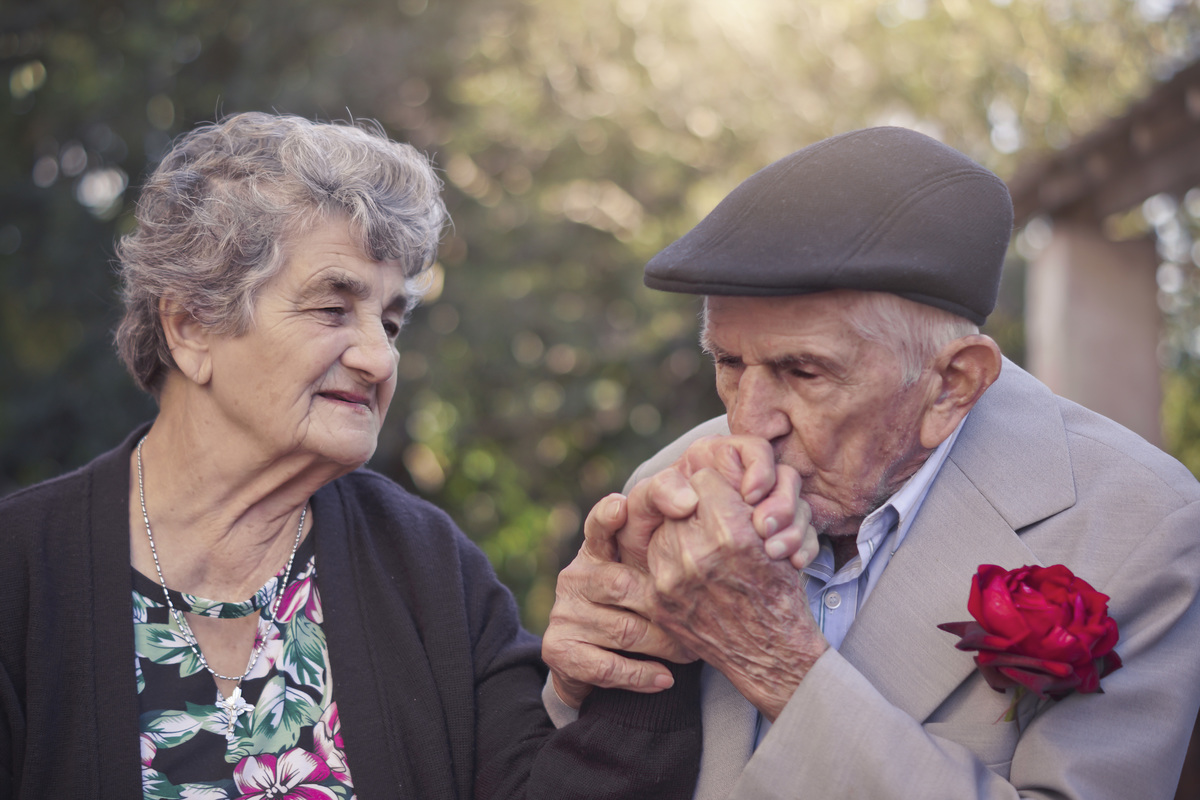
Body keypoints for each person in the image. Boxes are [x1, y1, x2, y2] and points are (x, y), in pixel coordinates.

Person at [0, 111, 732, 800]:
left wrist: (639, 643)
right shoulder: (21, 572)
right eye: (332, 309)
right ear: (191, 327)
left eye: (390, 322)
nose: (380, 360)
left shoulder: (425, 564)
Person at [541, 126, 1200, 799]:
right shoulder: (672, 480)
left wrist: (779, 665)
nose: (748, 423)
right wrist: (587, 674)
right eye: (729, 362)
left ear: (952, 385)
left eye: (803, 370)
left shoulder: (1140, 527)